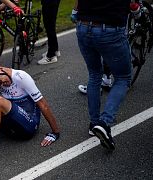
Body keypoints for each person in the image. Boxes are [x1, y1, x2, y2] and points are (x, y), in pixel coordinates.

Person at [75, 0, 132, 150]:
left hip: (83, 25)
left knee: (94, 74)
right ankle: (104, 122)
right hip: (110, 28)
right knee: (123, 78)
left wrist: (75, 12)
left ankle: (94, 123)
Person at [37, 0, 61, 65]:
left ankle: (51, 56)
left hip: (49, 2)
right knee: (51, 25)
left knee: (49, 25)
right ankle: (55, 49)